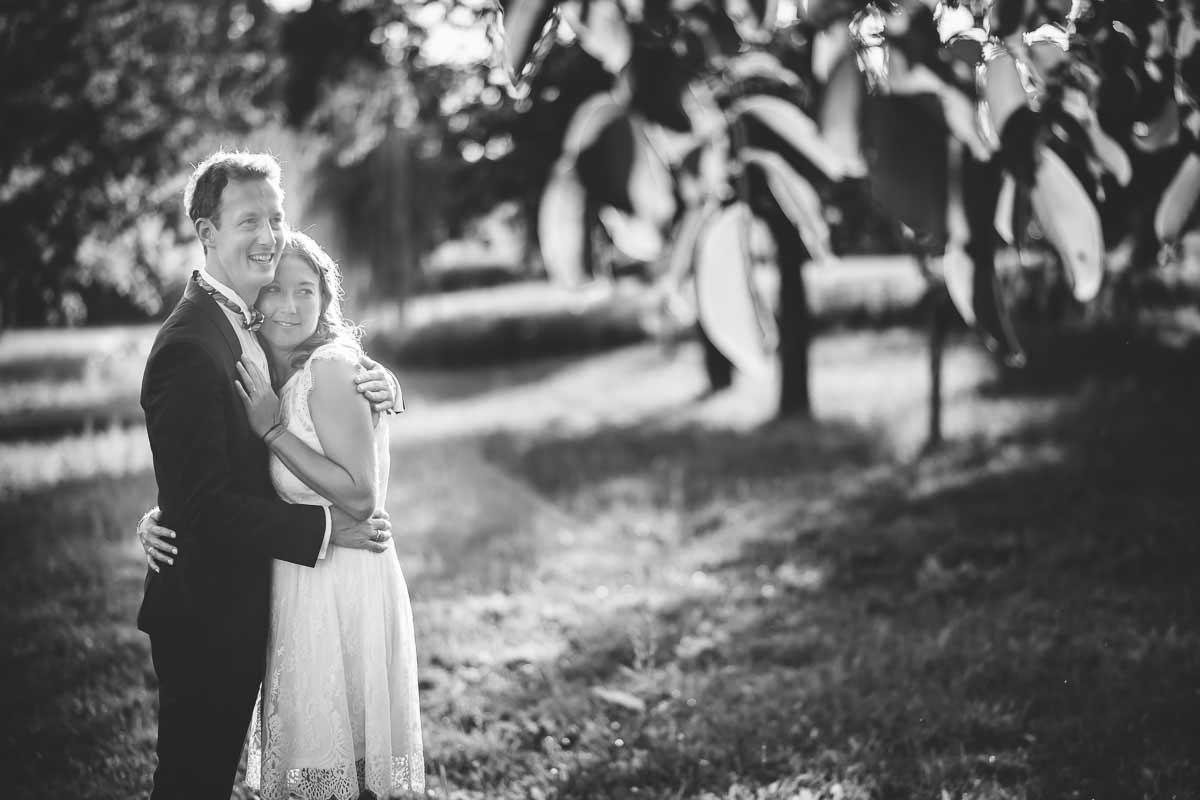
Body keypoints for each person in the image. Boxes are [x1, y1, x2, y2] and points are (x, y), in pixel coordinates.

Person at [135, 150, 402, 800]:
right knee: (192, 784)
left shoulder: (255, 323)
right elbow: (204, 504)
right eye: (249, 220)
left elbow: (230, 445)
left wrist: (384, 381)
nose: (267, 235)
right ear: (208, 234)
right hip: (208, 616)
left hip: (262, 599)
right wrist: (326, 531)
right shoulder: (191, 347)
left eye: (276, 218)